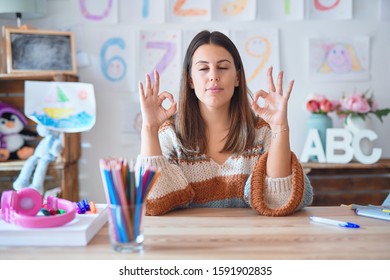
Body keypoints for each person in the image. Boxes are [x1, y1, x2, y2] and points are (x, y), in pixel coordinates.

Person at [137, 30, 313, 216]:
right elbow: (152, 203)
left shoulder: (261, 132)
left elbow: (280, 201)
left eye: (222, 67)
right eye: (203, 69)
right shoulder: (170, 134)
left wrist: (279, 128)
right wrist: (149, 128)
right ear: (190, 80)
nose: (213, 76)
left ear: (237, 77)